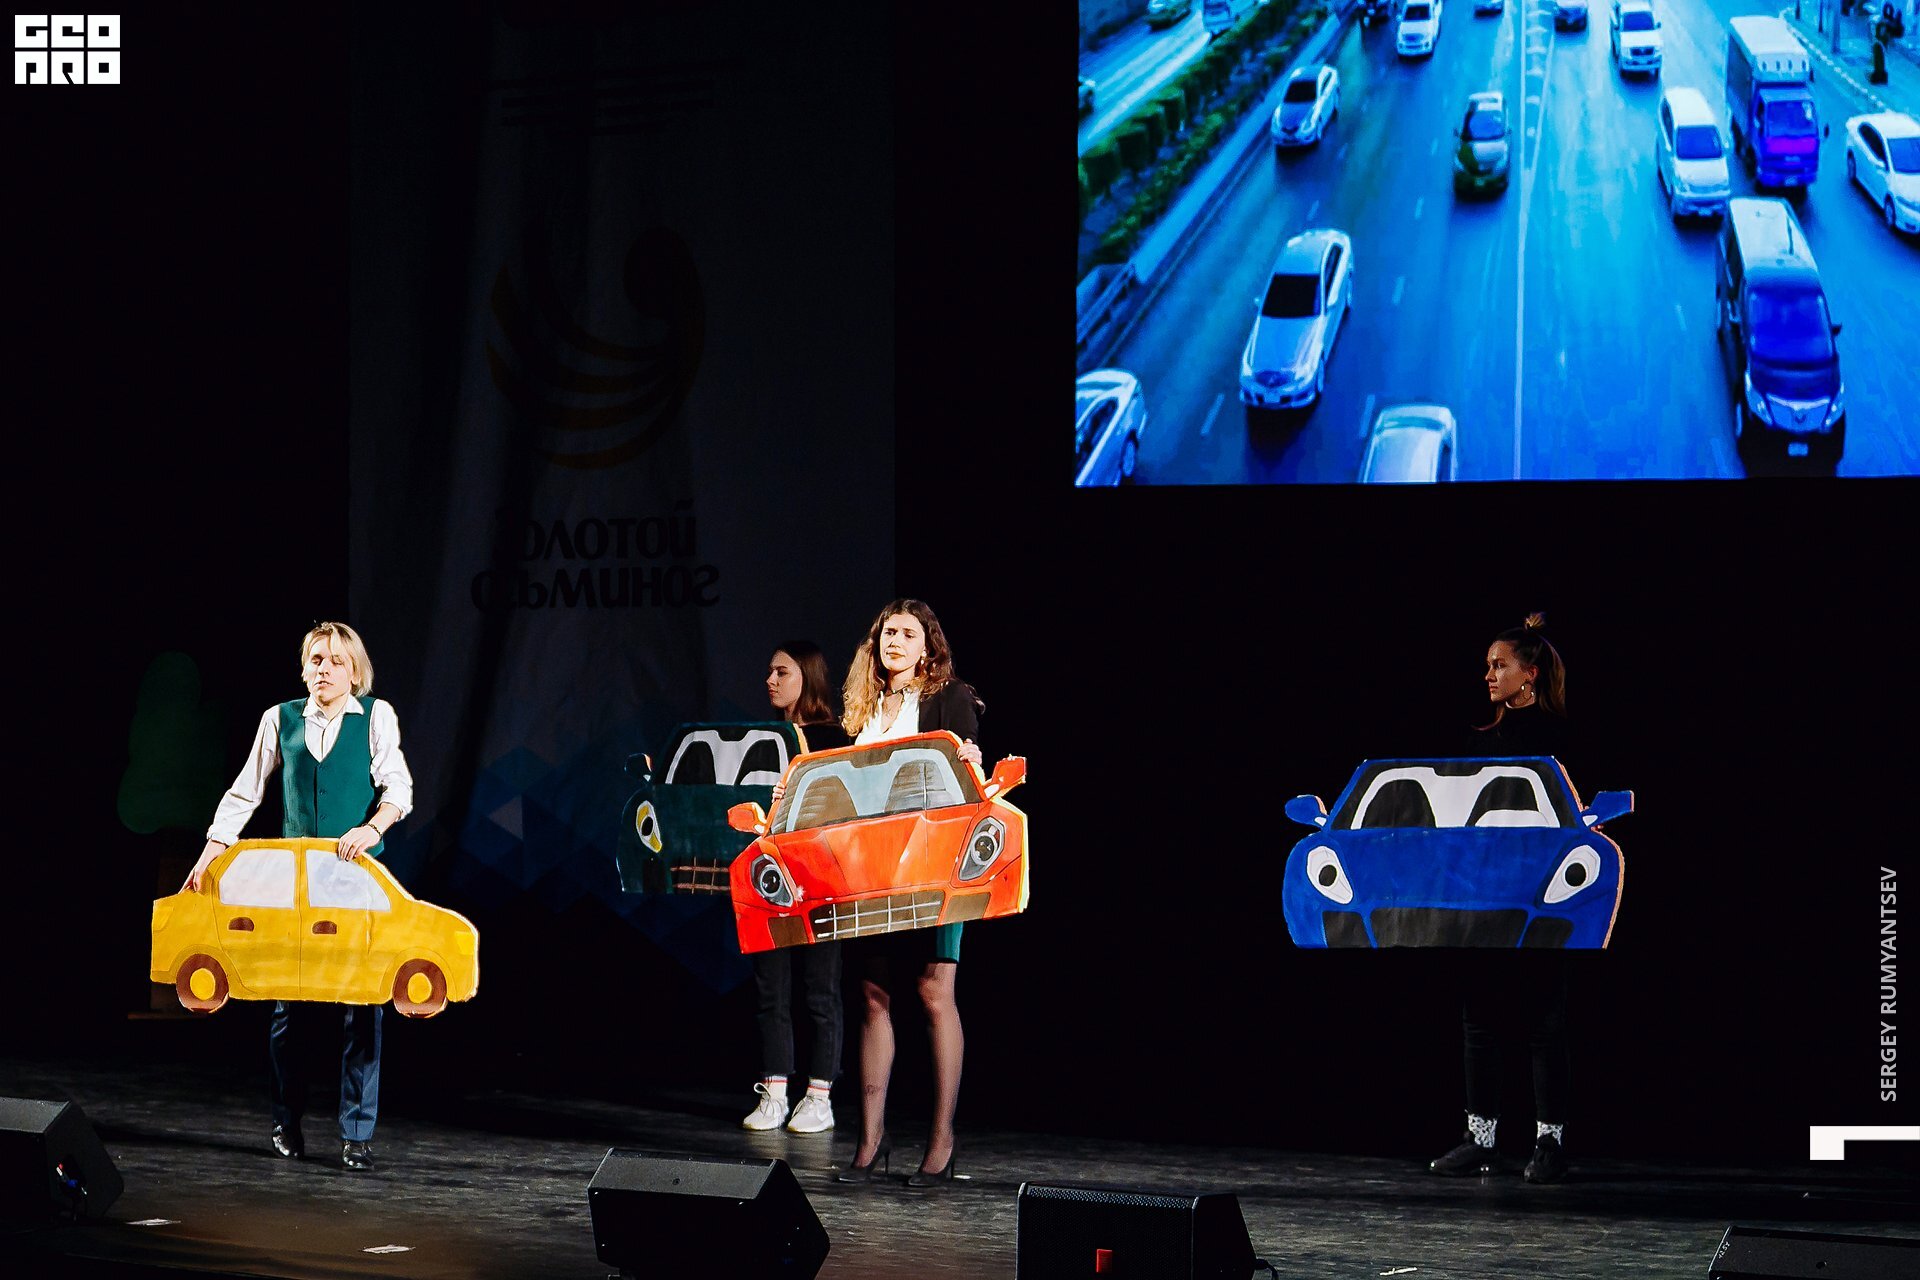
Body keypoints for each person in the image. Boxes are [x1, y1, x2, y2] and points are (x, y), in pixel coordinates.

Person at [186, 621, 414, 1173]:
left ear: (354, 671)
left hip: (355, 882)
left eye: (336, 661)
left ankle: (356, 1133)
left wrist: (372, 828)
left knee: (363, 1007)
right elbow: (245, 792)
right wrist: (211, 852)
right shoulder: (279, 718)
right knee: (290, 1010)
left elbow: (399, 788)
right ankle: (285, 1122)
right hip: (296, 888)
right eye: (316, 659)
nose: (324, 669)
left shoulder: (375, 716)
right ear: (304, 668)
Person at [833, 599, 984, 1188]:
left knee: (933, 991)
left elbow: (966, 770)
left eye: (907, 633)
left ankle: (942, 1142)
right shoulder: (863, 708)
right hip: (871, 867)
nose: (893, 641)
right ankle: (871, 1141)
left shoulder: (949, 696)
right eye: (886, 632)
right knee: (873, 995)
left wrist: (970, 759)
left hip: (932, 860)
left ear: (928, 647)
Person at [1429, 612, 1576, 1185]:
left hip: (1539, 900)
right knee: (1480, 1021)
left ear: (1529, 674)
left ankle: (1550, 1142)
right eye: (1487, 666)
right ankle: (1481, 1139)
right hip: (1483, 899)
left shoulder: (1561, 740)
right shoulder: (1476, 741)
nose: (1488, 675)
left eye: (1499, 665)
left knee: (1545, 1022)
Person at [741, 640, 850, 1135]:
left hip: (821, 878)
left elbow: (845, 806)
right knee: (771, 989)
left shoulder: (834, 737)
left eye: (781, 672)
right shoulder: (763, 739)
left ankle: (820, 1096)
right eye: (769, 671)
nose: (770, 680)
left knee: (820, 990)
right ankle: (775, 1092)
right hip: (767, 879)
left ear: (807, 676)